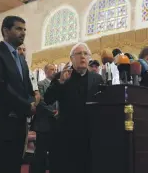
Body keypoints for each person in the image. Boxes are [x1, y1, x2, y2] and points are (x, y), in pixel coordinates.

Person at [0, 16, 36, 173]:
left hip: (18, 125)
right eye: (18, 29)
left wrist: (32, 102)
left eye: (24, 30)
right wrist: (26, 106)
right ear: (5, 30)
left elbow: (28, 89)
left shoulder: (22, 60)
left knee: (13, 166)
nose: (23, 33)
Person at [44, 42, 104, 173]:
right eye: (78, 54)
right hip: (66, 135)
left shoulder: (97, 79)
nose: (82, 57)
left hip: (89, 135)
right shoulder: (62, 76)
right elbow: (47, 99)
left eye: (85, 54)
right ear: (71, 58)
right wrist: (60, 83)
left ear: (89, 58)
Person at [30, 64, 58, 173]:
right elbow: (40, 102)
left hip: (55, 123)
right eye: (52, 69)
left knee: (54, 153)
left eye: (55, 70)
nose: (54, 71)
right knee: (40, 153)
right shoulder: (41, 84)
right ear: (46, 71)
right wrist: (53, 112)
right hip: (43, 124)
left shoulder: (58, 84)